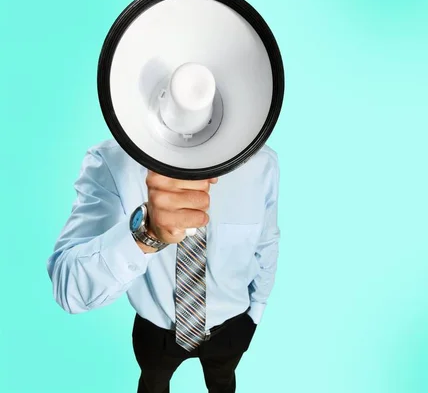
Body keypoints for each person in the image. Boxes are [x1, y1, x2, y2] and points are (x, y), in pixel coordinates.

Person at [46, 138, 281, 393]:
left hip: (230, 327)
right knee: (152, 386)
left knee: (223, 384)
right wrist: (147, 233)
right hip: (156, 330)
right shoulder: (112, 161)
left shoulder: (262, 163)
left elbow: (267, 242)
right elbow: (68, 287)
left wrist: (255, 313)